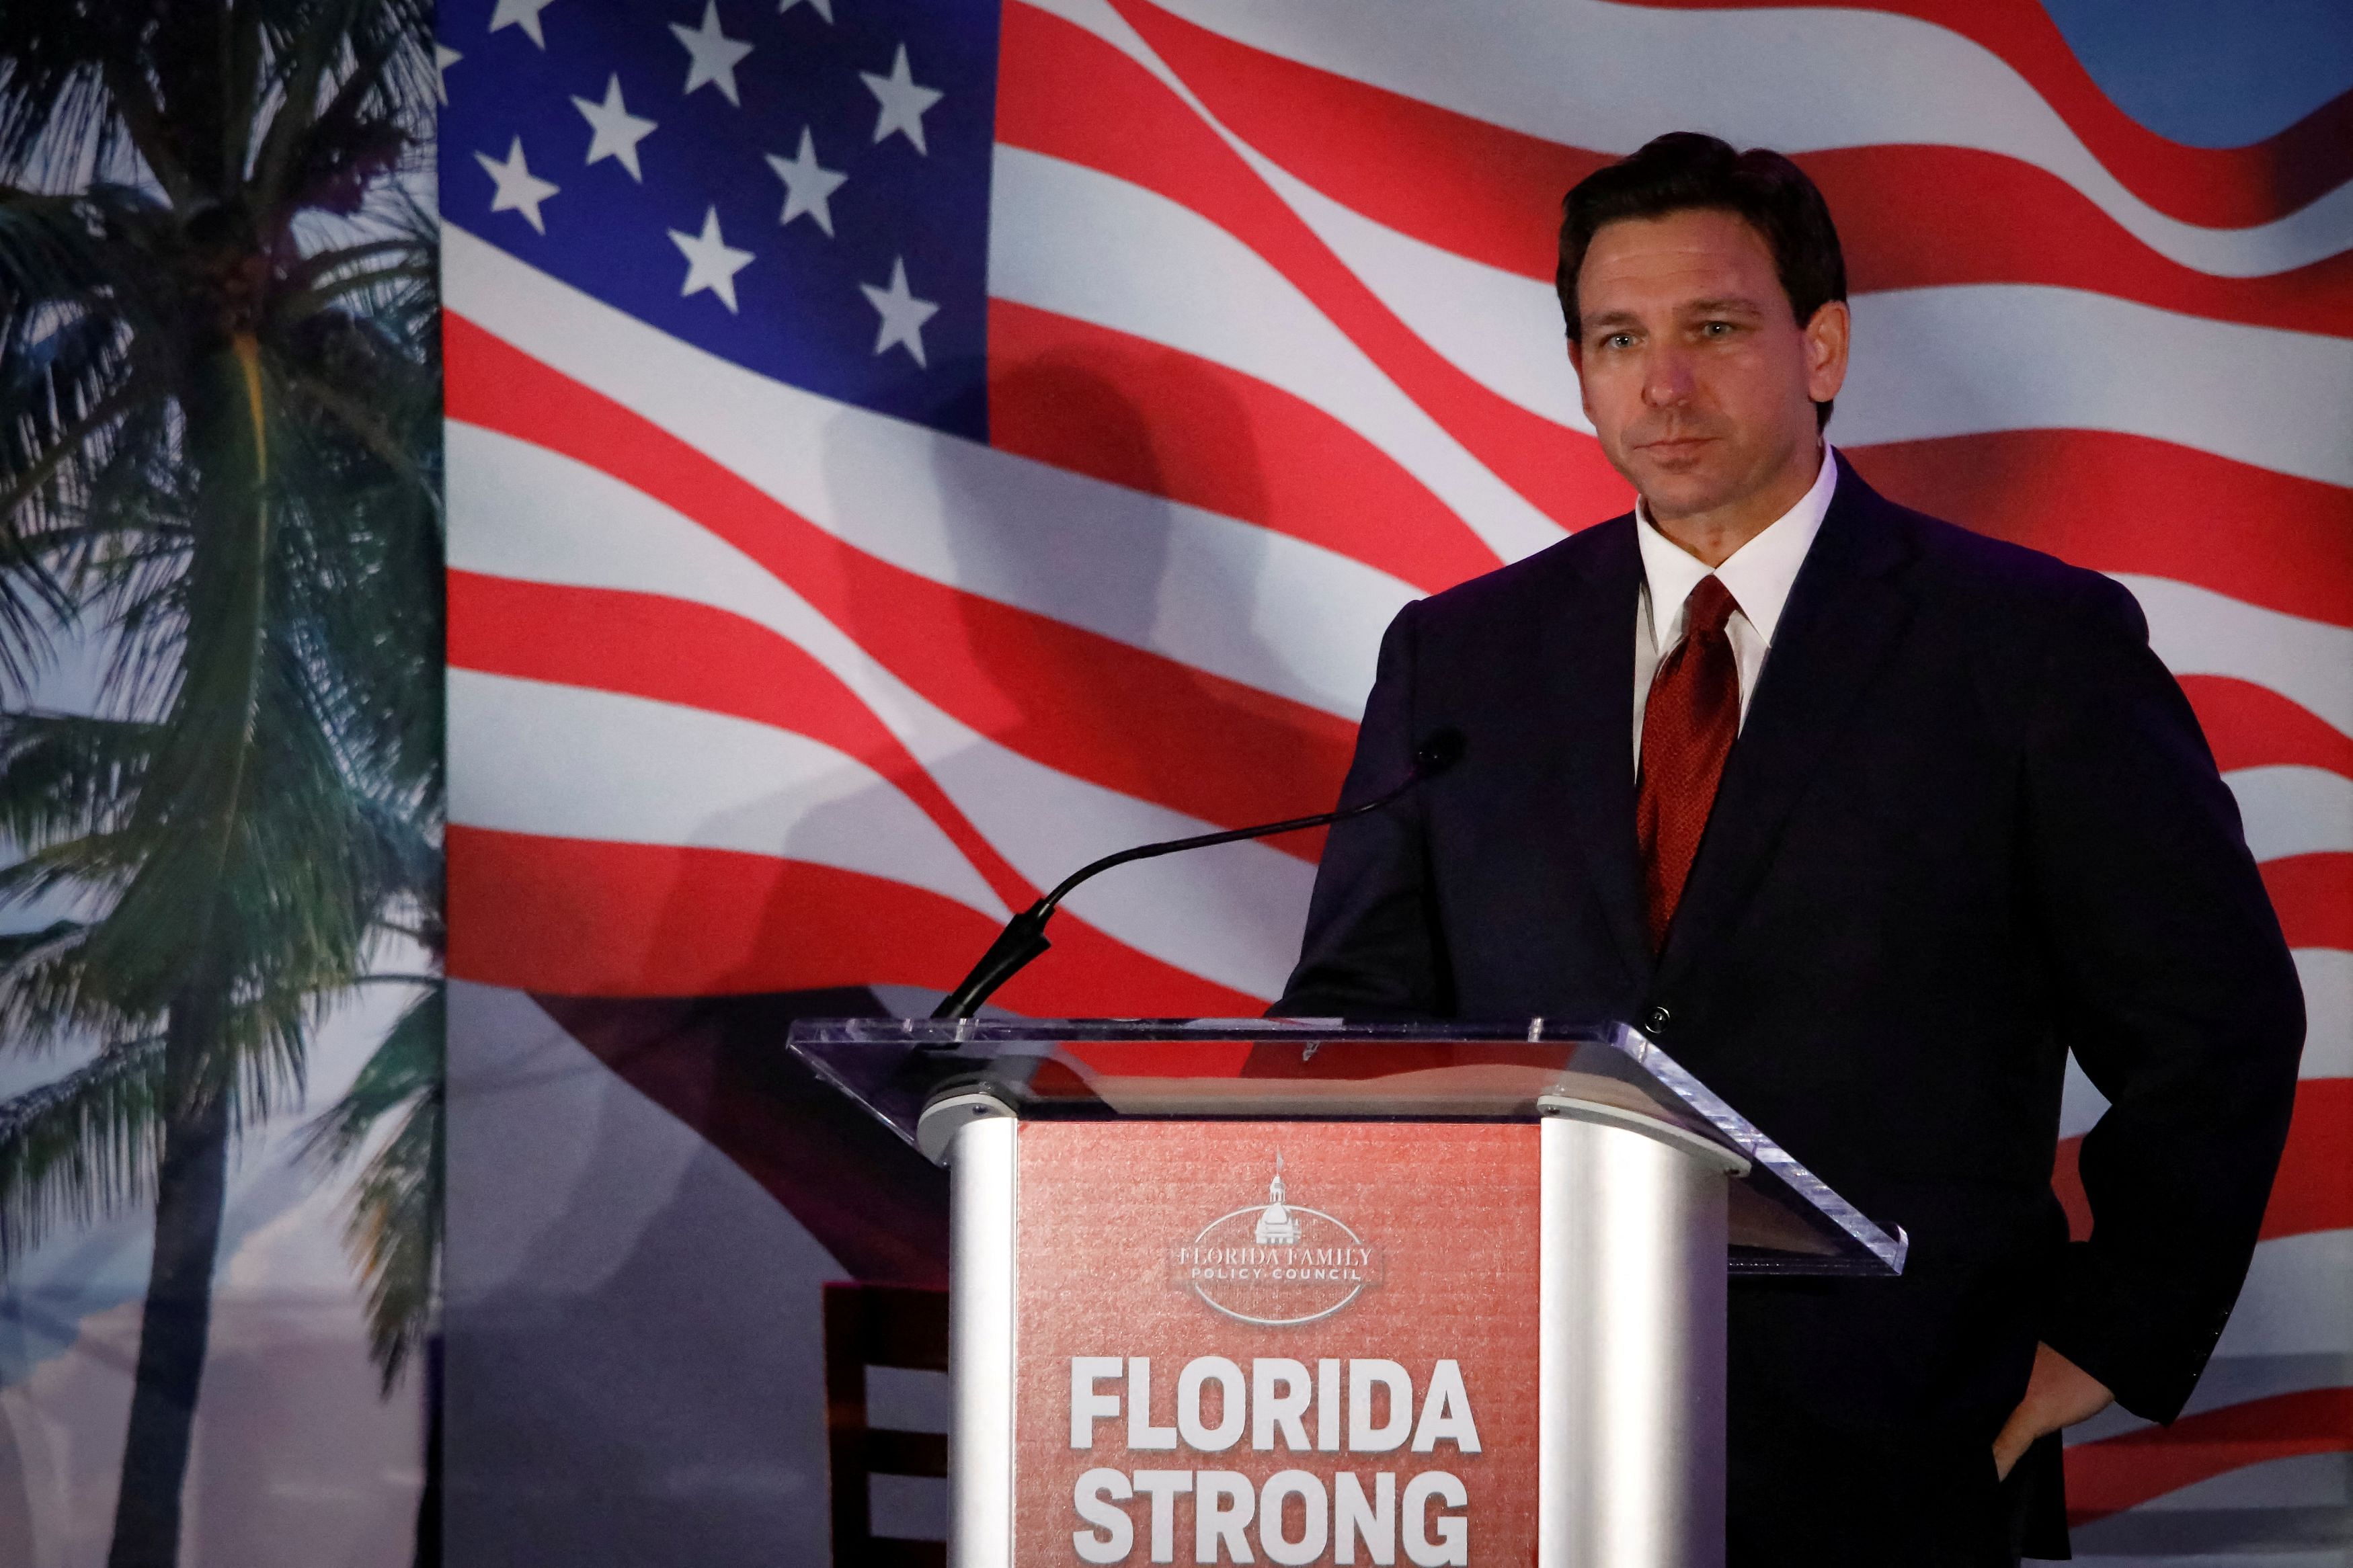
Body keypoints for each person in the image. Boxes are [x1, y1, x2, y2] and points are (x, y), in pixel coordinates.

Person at [1275, 132, 2305, 1564]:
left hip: (1903, 1443)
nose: (1664, 383)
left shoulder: (2027, 643)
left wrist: (2094, 1348)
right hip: (1513, 1435)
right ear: (1577, 368)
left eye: (1712, 328)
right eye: (1616, 338)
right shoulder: (1459, 656)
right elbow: (1353, 1026)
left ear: (1820, 347)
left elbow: (2216, 1025)